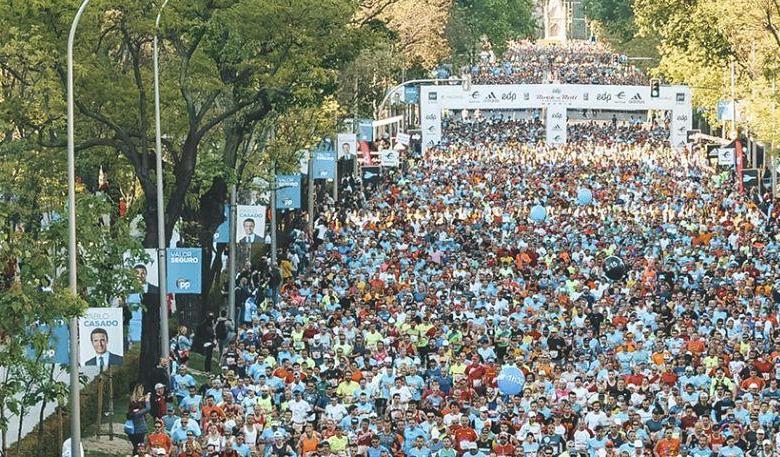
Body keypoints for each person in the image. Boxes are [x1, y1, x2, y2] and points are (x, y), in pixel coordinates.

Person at [126, 384, 151, 453]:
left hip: (131, 433)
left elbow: (135, 404)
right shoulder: (138, 413)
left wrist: (139, 401)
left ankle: (135, 454)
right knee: (141, 447)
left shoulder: (130, 413)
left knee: (135, 447)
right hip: (140, 432)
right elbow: (148, 408)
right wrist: (147, 400)